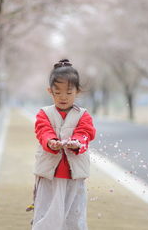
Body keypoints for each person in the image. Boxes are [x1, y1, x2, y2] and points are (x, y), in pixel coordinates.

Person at [29, 58, 96, 230]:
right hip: (49, 174)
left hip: (74, 175)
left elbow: (86, 134)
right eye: (57, 92)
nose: (63, 97)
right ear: (50, 91)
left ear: (77, 91)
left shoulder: (83, 115)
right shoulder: (44, 113)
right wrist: (50, 142)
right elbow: (42, 131)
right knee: (46, 211)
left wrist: (77, 143)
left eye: (68, 92)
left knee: (74, 214)